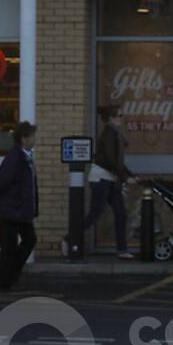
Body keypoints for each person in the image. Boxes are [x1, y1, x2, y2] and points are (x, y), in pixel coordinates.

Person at [72, 103, 135, 259]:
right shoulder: (108, 134)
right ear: (111, 118)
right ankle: (69, 238)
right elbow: (109, 159)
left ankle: (122, 249)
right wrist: (125, 177)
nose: (122, 119)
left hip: (111, 179)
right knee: (96, 213)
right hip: (101, 178)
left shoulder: (115, 133)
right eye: (120, 116)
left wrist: (130, 174)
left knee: (121, 213)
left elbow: (117, 161)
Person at [0, 121, 39, 291]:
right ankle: (5, 280)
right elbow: (4, 180)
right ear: (23, 138)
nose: (34, 139)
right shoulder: (16, 157)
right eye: (32, 136)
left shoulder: (25, 156)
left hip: (21, 208)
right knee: (11, 245)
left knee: (27, 241)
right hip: (13, 208)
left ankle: (10, 276)